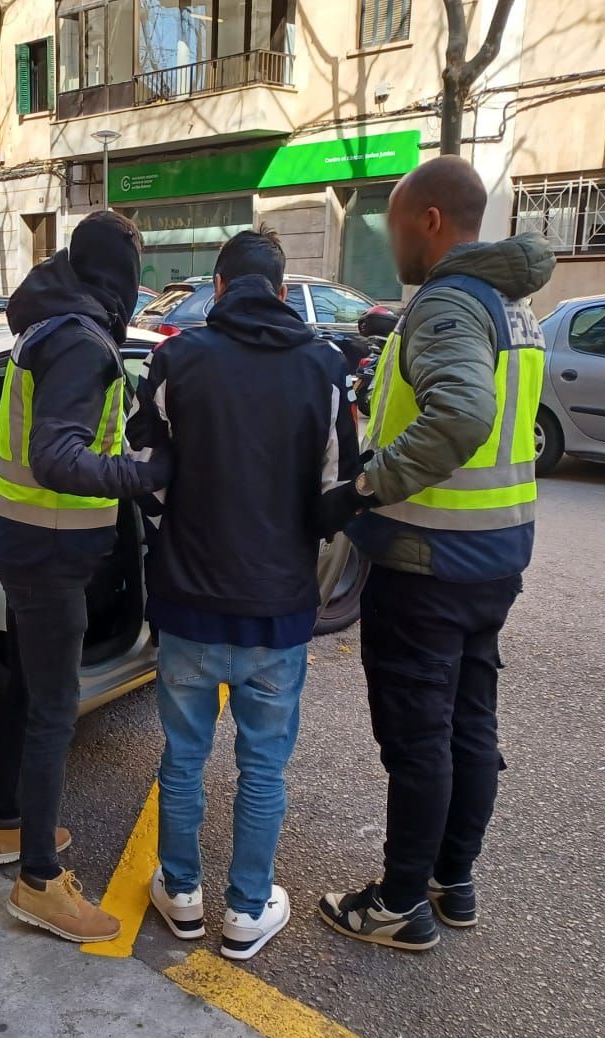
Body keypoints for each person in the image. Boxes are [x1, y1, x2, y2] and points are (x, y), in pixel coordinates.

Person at [315, 155, 553, 952]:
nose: (389, 242)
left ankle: (399, 904)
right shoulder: (513, 307)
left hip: (428, 558)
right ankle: (455, 883)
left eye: (391, 224)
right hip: (495, 554)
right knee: (468, 727)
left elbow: (461, 417)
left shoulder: (450, 303)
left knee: (419, 739)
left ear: (430, 221)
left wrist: (360, 491)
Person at [127, 228, 356, 960]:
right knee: (263, 767)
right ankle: (247, 912)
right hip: (277, 611)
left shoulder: (177, 356)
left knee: (182, 757)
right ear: (283, 291)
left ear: (217, 289)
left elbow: (141, 469)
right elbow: (335, 497)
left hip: (187, 605)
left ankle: (182, 893)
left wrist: (170, 539)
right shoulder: (324, 366)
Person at [0, 211, 171, 943]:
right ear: (115, 272)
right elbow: (58, 455)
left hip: (21, 541)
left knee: (28, 687)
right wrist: (141, 473)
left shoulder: (47, 325)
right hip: (50, 553)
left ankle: (4, 826)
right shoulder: (84, 346)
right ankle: (39, 883)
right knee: (56, 705)